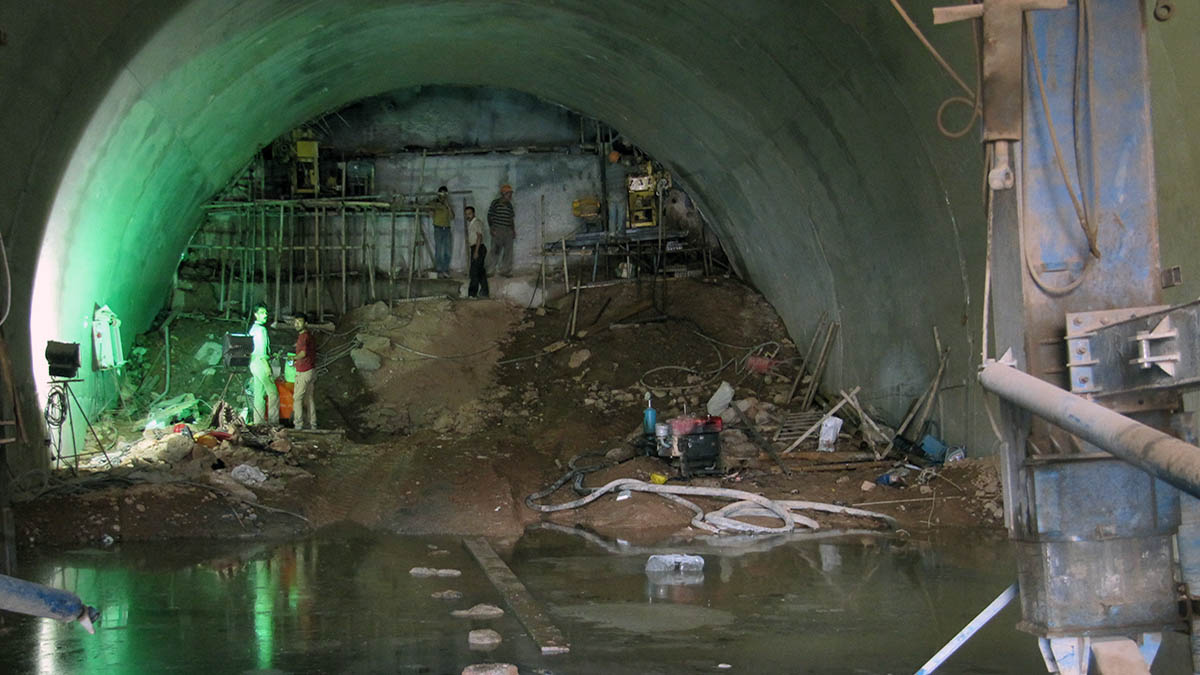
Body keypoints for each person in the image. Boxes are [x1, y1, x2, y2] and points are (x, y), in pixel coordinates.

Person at [248, 304, 279, 425]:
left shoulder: (253, 329)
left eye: (265, 313)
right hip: (261, 363)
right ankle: (273, 423)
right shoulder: (261, 330)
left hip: (253, 363)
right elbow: (261, 352)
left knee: (259, 395)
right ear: (255, 314)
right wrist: (267, 368)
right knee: (273, 393)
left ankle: (258, 423)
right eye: (261, 313)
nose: (265, 315)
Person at [292, 313, 317, 429]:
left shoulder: (303, 336)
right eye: (295, 322)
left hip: (304, 370)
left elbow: (303, 353)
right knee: (309, 398)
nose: (297, 324)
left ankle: (298, 424)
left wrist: (292, 358)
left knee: (297, 398)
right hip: (311, 370)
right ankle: (312, 424)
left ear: (306, 323)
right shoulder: (308, 336)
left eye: (300, 322)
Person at [487, 183, 515, 277]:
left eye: (511, 194)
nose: (510, 196)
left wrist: (513, 230)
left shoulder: (510, 205)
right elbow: (490, 216)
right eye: (509, 194)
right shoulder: (495, 203)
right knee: (495, 251)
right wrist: (491, 228)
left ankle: (505, 270)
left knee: (508, 252)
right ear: (503, 194)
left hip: (507, 230)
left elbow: (511, 219)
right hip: (497, 229)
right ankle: (490, 270)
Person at [430, 185, 455, 278]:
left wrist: (447, 206)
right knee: (439, 250)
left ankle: (445, 269)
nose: (443, 196)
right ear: (439, 194)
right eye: (442, 194)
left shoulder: (448, 205)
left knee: (448, 251)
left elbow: (452, 217)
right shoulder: (434, 203)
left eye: (445, 194)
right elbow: (430, 213)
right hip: (438, 228)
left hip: (447, 229)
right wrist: (433, 208)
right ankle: (439, 270)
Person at [465, 206, 489, 298]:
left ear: (474, 213)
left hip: (478, 248)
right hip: (477, 248)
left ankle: (472, 294)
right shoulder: (472, 223)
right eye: (466, 214)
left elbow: (479, 237)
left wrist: (476, 251)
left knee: (474, 272)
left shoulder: (476, 222)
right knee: (480, 272)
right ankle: (484, 292)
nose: (468, 216)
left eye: (469, 214)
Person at [605, 150, 629, 231]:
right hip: (620, 194)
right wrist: (641, 167)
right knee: (621, 214)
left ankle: (612, 233)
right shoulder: (621, 168)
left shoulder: (607, 170)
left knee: (612, 215)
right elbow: (632, 169)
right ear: (618, 159)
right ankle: (620, 233)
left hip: (611, 195)